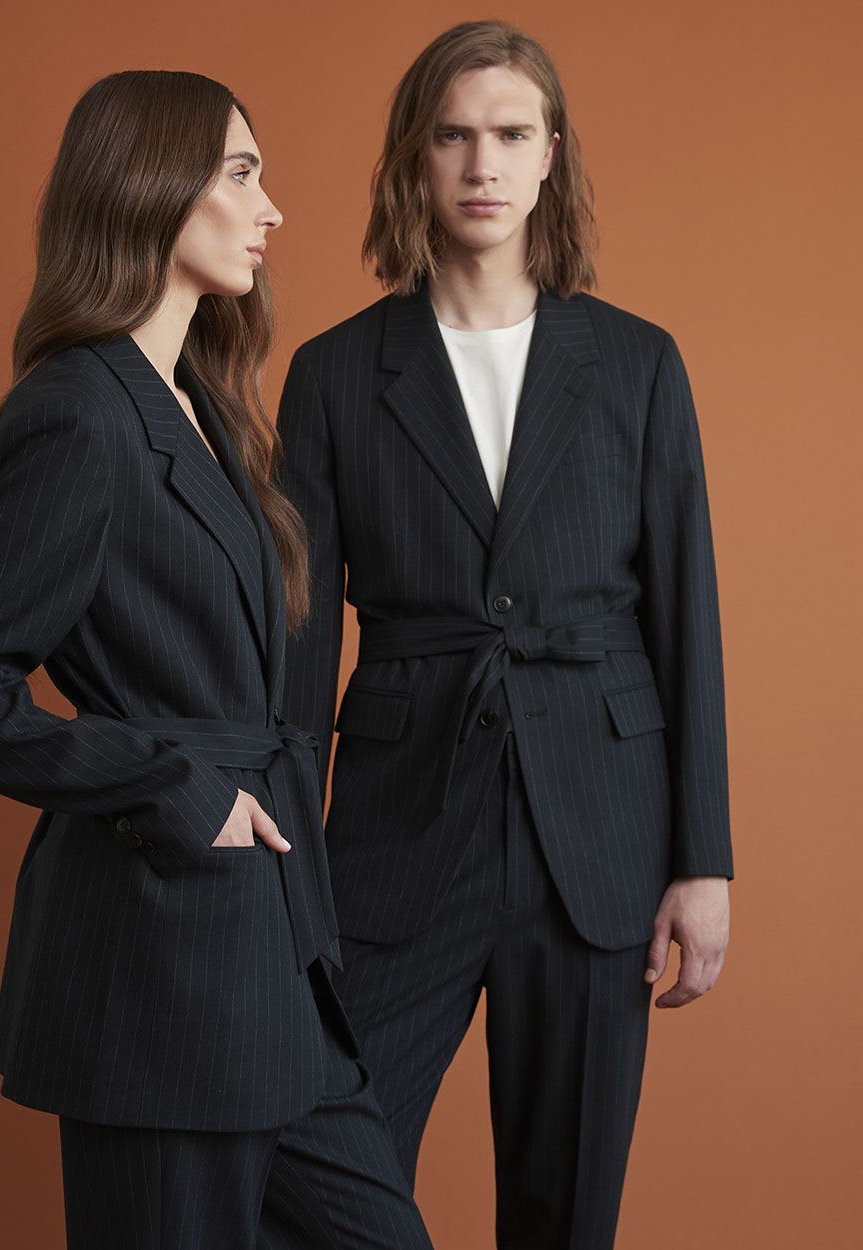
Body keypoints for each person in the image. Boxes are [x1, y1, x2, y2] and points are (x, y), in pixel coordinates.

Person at [0, 70, 433, 1250]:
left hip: (278, 947)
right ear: (150, 189)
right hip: (163, 956)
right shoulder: (79, 415)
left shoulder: (203, 404)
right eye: (241, 175)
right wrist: (172, 784)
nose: (271, 208)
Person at [272, 21, 733, 1250]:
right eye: (454, 134)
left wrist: (705, 862)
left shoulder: (636, 365)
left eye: (510, 134)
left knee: (565, 1211)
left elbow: (687, 618)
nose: (482, 162)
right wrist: (274, 871)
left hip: (598, 832)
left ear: (549, 158)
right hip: (390, 839)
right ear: (415, 160)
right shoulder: (331, 373)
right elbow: (298, 649)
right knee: (311, 1172)